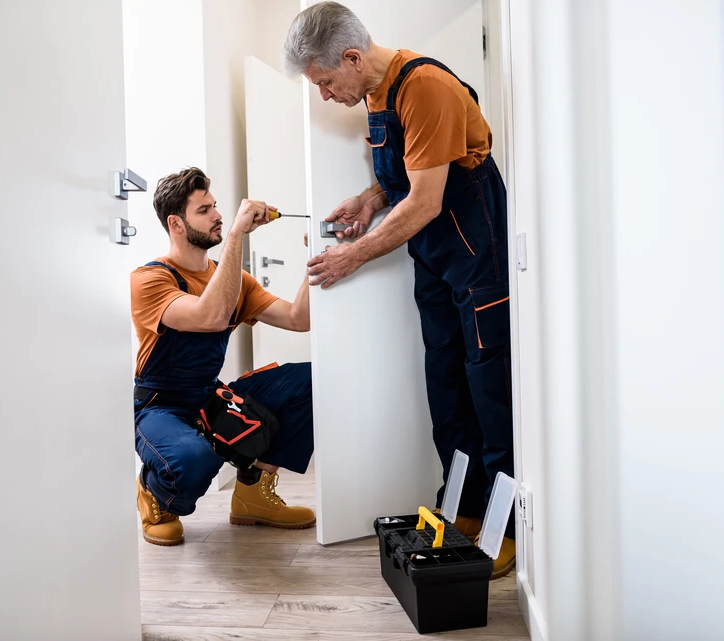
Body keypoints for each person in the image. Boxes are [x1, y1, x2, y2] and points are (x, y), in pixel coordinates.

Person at [284, 2, 515, 578]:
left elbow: (428, 200)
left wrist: (352, 255)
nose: (325, 96)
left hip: (473, 247)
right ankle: (464, 507)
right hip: (434, 254)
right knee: (446, 382)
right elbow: (412, 173)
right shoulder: (375, 91)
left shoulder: (425, 87)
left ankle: (507, 525)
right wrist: (369, 199)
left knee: (489, 385)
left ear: (353, 57)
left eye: (325, 82)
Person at [130, 167, 314, 546]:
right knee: (195, 458)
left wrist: (317, 254)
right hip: (161, 406)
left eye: (215, 206)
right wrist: (236, 235)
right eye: (204, 210)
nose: (217, 215)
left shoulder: (235, 281)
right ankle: (155, 493)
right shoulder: (150, 279)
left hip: (209, 395)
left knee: (310, 381)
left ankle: (253, 494)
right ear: (176, 224)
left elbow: (299, 319)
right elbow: (210, 317)